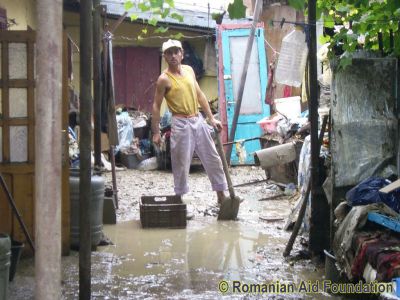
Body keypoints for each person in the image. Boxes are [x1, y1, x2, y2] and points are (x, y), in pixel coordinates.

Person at [151, 39, 228, 205]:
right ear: (164, 56)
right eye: (169, 53)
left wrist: (211, 118)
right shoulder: (164, 79)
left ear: (181, 54)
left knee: (213, 158)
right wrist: (156, 132)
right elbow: (156, 106)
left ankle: (221, 196)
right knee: (180, 163)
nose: (173, 56)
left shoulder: (189, 70)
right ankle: (178, 201)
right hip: (180, 123)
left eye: (176, 52)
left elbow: (200, 95)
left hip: (197, 120)